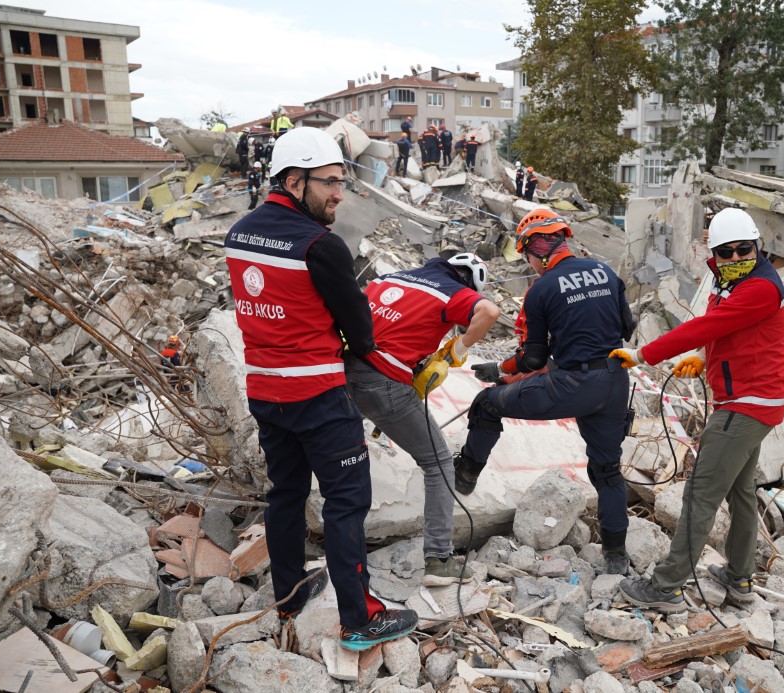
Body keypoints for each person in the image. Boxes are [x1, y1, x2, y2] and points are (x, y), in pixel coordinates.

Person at [224, 127, 418, 650]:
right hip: (320, 398)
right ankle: (359, 620)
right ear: (294, 179)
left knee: (285, 494)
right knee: (346, 503)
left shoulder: (239, 234)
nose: (339, 193)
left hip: (266, 392)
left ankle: (288, 596)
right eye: (330, 182)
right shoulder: (320, 245)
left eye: (341, 181)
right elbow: (360, 327)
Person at [612, 207, 784, 613]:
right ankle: (740, 578)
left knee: (700, 496)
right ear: (714, 255)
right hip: (755, 402)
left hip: (745, 406)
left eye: (743, 250)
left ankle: (667, 586)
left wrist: (643, 354)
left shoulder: (759, 287)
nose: (734, 258)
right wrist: (701, 357)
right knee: (742, 493)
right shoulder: (730, 283)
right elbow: (726, 330)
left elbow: (706, 326)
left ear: (756, 246)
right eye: (725, 253)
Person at [454, 208, 637, 574]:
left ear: (536, 250)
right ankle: (616, 557)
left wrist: (499, 371)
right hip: (615, 383)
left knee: (488, 404)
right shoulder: (606, 272)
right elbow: (627, 328)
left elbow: (532, 357)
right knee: (607, 471)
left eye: (527, 256)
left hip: (571, 384)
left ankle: (465, 474)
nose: (530, 264)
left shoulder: (542, 289)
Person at [345, 253, 500, 585]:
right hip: (385, 384)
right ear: (467, 282)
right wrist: (459, 346)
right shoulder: (451, 290)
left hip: (342, 373)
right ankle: (439, 560)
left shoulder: (390, 278)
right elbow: (489, 312)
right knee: (439, 462)